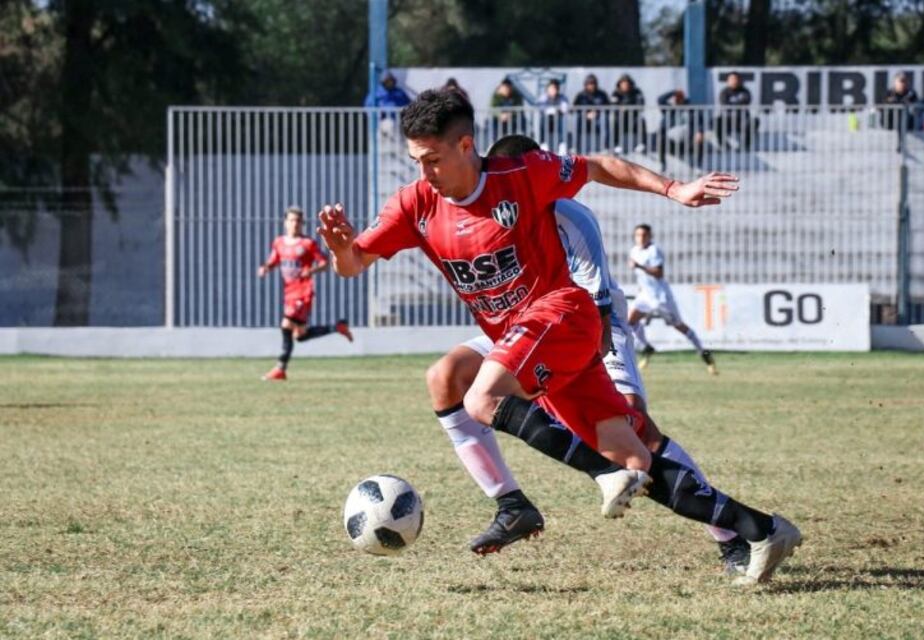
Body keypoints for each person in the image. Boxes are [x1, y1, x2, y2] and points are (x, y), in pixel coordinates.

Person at [317, 89, 801, 585]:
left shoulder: (522, 175)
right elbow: (355, 264)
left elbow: (600, 167)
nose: (425, 173)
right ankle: (761, 528)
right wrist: (340, 249)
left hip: (565, 315)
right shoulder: (415, 204)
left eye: (433, 159)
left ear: (466, 147)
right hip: (525, 341)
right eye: (416, 161)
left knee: (482, 396)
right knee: (635, 456)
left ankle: (594, 478)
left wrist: (674, 189)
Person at [426, 133, 753, 573]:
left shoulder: (567, 213)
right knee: (446, 376)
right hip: (522, 328)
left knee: (637, 434)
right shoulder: (486, 212)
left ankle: (731, 536)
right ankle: (511, 505)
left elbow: (593, 302)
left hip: (588, 324)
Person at [257, 207, 353, 381]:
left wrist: (311, 271)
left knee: (286, 325)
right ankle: (337, 327)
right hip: (289, 292)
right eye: (292, 220)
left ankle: (280, 369)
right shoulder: (279, 242)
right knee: (299, 336)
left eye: (298, 221)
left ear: (302, 224)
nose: (295, 224)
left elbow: (324, 263)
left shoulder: (308, 244)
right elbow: (274, 260)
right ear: (286, 223)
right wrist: (265, 268)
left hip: (303, 293)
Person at [628, 224, 717, 375]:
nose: (641, 238)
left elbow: (659, 273)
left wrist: (640, 266)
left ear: (650, 236)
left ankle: (705, 354)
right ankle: (647, 347)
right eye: (638, 235)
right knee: (629, 321)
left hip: (661, 298)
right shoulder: (634, 251)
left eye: (644, 235)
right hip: (645, 296)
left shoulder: (653, 250)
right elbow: (641, 277)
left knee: (679, 326)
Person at [656, 89, 706, 170]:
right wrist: (674, 92)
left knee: (699, 140)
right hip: (672, 144)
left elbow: (700, 122)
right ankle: (663, 164)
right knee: (661, 139)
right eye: (676, 98)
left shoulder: (691, 109)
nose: (677, 100)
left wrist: (700, 132)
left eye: (679, 98)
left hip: (687, 142)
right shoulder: (668, 109)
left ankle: (698, 166)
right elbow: (660, 99)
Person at [716, 72, 756, 150]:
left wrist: (732, 105)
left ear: (740, 80)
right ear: (728, 81)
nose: (734, 81)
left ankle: (745, 145)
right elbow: (724, 104)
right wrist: (737, 105)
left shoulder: (745, 91)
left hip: (742, 120)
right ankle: (723, 144)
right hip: (727, 120)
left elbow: (746, 102)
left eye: (736, 79)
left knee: (753, 121)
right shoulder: (724, 92)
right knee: (716, 121)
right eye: (732, 79)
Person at [573, 74, 611, 153]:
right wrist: (585, 115)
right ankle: (575, 147)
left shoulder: (602, 94)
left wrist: (597, 113)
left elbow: (608, 107)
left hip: (598, 119)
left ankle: (605, 147)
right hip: (584, 119)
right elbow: (574, 108)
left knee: (604, 118)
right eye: (589, 83)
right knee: (576, 118)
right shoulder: (580, 95)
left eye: (593, 83)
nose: (591, 85)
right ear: (586, 84)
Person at [611, 73, 647, 154]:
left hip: (633, 118)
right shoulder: (616, 93)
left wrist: (628, 107)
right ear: (619, 84)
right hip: (621, 119)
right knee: (615, 121)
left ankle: (641, 144)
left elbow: (641, 104)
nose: (625, 85)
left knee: (641, 120)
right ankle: (616, 145)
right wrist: (620, 108)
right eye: (623, 83)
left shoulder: (637, 92)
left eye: (627, 83)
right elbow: (614, 105)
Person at [883, 73, 918, 153]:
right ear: (895, 82)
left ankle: (900, 144)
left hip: (906, 121)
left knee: (902, 119)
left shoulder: (911, 93)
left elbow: (916, 105)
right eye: (901, 81)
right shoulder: (889, 93)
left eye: (904, 81)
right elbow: (884, 104)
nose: (903, 84)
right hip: (890, 121)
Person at [537, 79, 570, 154]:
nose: (553, 90)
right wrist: (551, 110)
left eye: (555, 88)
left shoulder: (562, 97)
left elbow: (565, 108)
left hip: (558, 121)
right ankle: (543, 143)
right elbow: (540, 107)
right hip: (547, 121)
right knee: (542, 120)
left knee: (563, 121)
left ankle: (562, 145)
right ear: (548, 89)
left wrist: (557, 111)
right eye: (551, 88)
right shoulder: (543, 97)